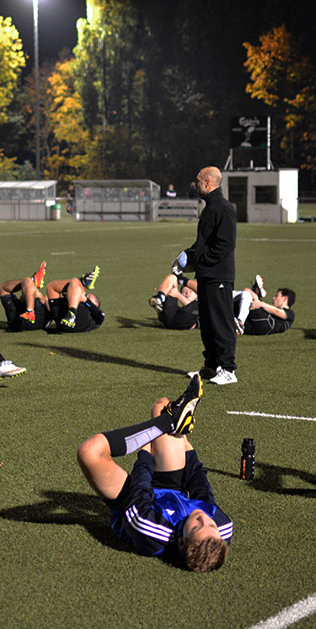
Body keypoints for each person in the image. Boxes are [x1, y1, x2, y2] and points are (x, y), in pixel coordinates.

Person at [76, 375, 233, 571]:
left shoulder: (152, 532)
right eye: (211, 526)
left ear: (182, 543)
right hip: (170, 489)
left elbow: (139, 493)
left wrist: (145, 453)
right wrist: (187, 449)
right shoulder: (223, 528)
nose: (202, 518)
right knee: (163, 405)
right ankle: (172, 420)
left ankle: (168, 422)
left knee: (90, 451)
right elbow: (202, 491)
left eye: (196, 527)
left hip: (130, 499)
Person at [175, 166, 238, 385]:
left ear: (208, 183)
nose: (196, 184)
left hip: (218, 275)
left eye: (198, 181)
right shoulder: (211, 207)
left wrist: (201, 259)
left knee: (221, 322)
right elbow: (204, 244)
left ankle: (228, 368)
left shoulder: (223, 208)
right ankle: (211, 366)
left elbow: (225, 245)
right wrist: (188, 256)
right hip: (206, 274)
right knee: (208, 323)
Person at [46, 266, 104, 333]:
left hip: (80, 323)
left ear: (95, 304)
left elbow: (101, 316)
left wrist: (86, 300)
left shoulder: (93, 315)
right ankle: (82, 282)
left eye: (88, 297)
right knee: (50, 286)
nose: (86, 296)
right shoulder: (72, 300)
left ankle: (82, 281)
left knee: (75, 281)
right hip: (62, 322)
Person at [0, 261, 48, 331]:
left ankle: (30, 311)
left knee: (28, 285)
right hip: (41, 320)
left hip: (17, 323)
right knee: (30, 287)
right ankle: (31, 281)